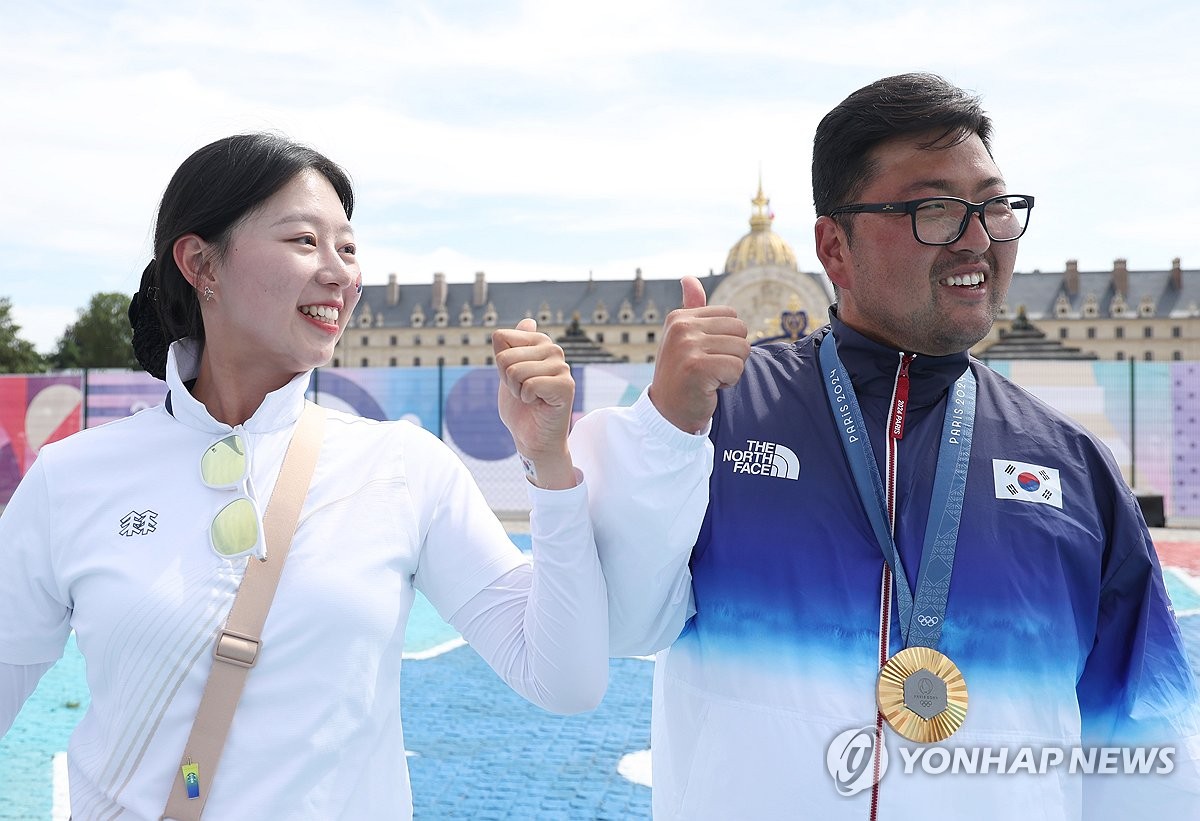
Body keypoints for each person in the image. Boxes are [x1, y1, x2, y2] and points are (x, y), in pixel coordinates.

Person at [570, 73, 1200, 819]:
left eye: (995, 207)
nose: (977, 237)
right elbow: (621, 623)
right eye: (935, 208)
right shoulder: (721, 415)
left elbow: (1144, 750)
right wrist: (665, 432)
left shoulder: (1075, 469)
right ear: (833, 247)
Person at [0, 133, 608, 819]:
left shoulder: (405, 467)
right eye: (303, 241)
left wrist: (549, 464)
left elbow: (567, 678)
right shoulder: (71, 478)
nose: (340, 273)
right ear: (201, 263)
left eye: (348, 248)